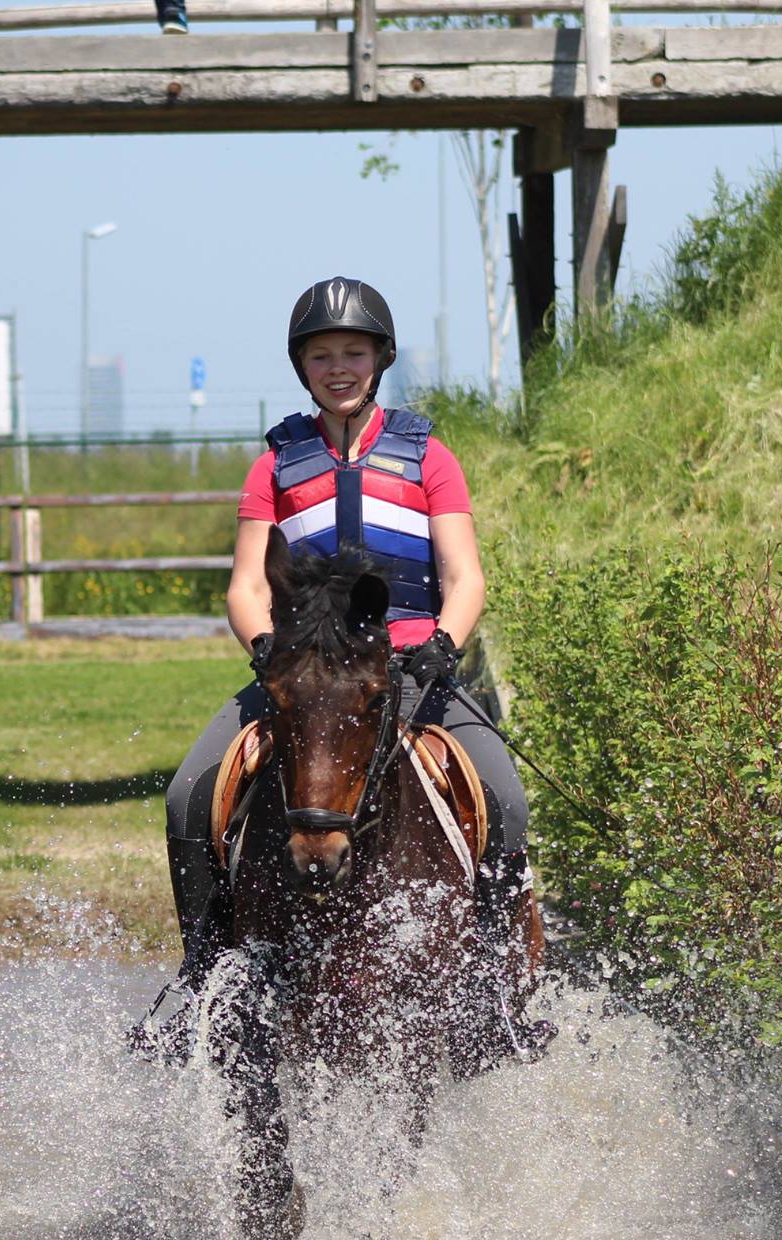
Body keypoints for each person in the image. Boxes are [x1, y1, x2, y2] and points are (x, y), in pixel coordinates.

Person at [152, 275, 553, 1071]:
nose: (340, 367)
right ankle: (203, 974)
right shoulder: (274, 465)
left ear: (380, 359)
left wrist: (444, 640)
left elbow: (465, 574)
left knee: (503, 795)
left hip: (408, 666)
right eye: (323, 354)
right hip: (303, 672)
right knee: (189, 791)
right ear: (303, 365)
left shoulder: (429, 456)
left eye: (354, 353)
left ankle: (502, 988)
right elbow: (244, 584)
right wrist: (264, 643)